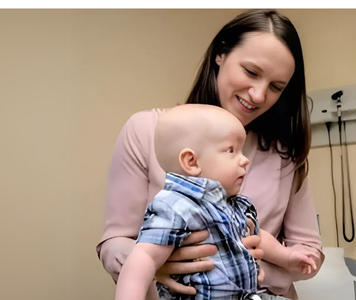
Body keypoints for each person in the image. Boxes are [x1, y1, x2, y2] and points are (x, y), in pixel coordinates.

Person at [97, 9, 324, 300]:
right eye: (251, 72)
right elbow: (115, 241)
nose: (258, 95)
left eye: (276, 87)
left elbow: (309, 255)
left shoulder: (283, 155)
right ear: (220, 54)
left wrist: (251, 266)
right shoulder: (146, 130)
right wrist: (155, 264)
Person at [114, 105, 319, 300]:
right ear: (191, 161)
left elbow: (257, 236)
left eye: (242, 150)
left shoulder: (235, 204)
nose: (244, 160)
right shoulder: (175, 207)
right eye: (231, 150)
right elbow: (143, 259)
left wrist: (287, 256)